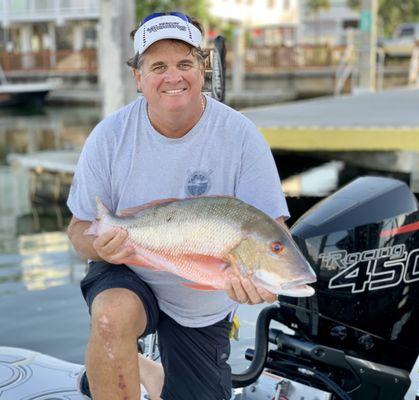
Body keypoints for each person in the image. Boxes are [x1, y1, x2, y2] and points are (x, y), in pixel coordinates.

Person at [66, 12, 289, 400]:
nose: (173, 77)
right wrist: (98, 244)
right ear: (138, 78)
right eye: (158, 66)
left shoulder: (241, 136)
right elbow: (78, 229)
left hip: (201, 302)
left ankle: (142, 368)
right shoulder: (109, 137)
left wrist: (266, 286)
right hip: (129, 270)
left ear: (202, 69)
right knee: (110, 317)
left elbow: (272, 233)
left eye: (185, 63)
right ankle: (117, 351)